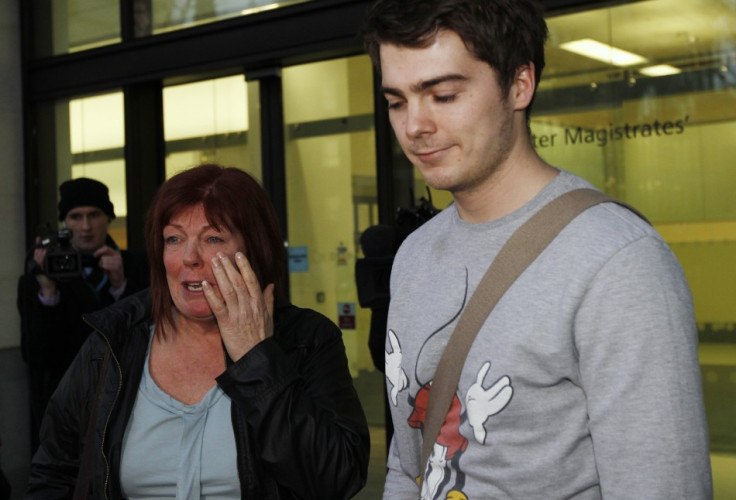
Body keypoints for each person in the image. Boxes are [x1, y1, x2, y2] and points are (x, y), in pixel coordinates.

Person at [361, 1, 712, 498]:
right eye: (397, 101)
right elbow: (409, 465)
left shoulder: (617, 261)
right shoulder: (415, 255)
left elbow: (660, 485)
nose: (414, 126)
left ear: (519, 84)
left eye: (442, 94)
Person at [26, 164, 370, 499]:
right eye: (174, 238)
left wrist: (258, 357)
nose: (189, 257)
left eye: (213, 237)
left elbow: (336, 480)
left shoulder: (306, 340)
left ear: (255, 248)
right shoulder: (114, 341)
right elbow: (54, 473)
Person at [17, 177, 150, 453]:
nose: (86, 226)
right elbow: (35, 354)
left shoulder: (136, 267)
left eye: (94, 215)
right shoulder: (36, 278)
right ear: (64, 225)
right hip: (66, 407)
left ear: (108, 218)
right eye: (76, 217)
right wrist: (48, 291)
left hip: (128, 401)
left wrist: (120, 286)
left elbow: (147, 337)